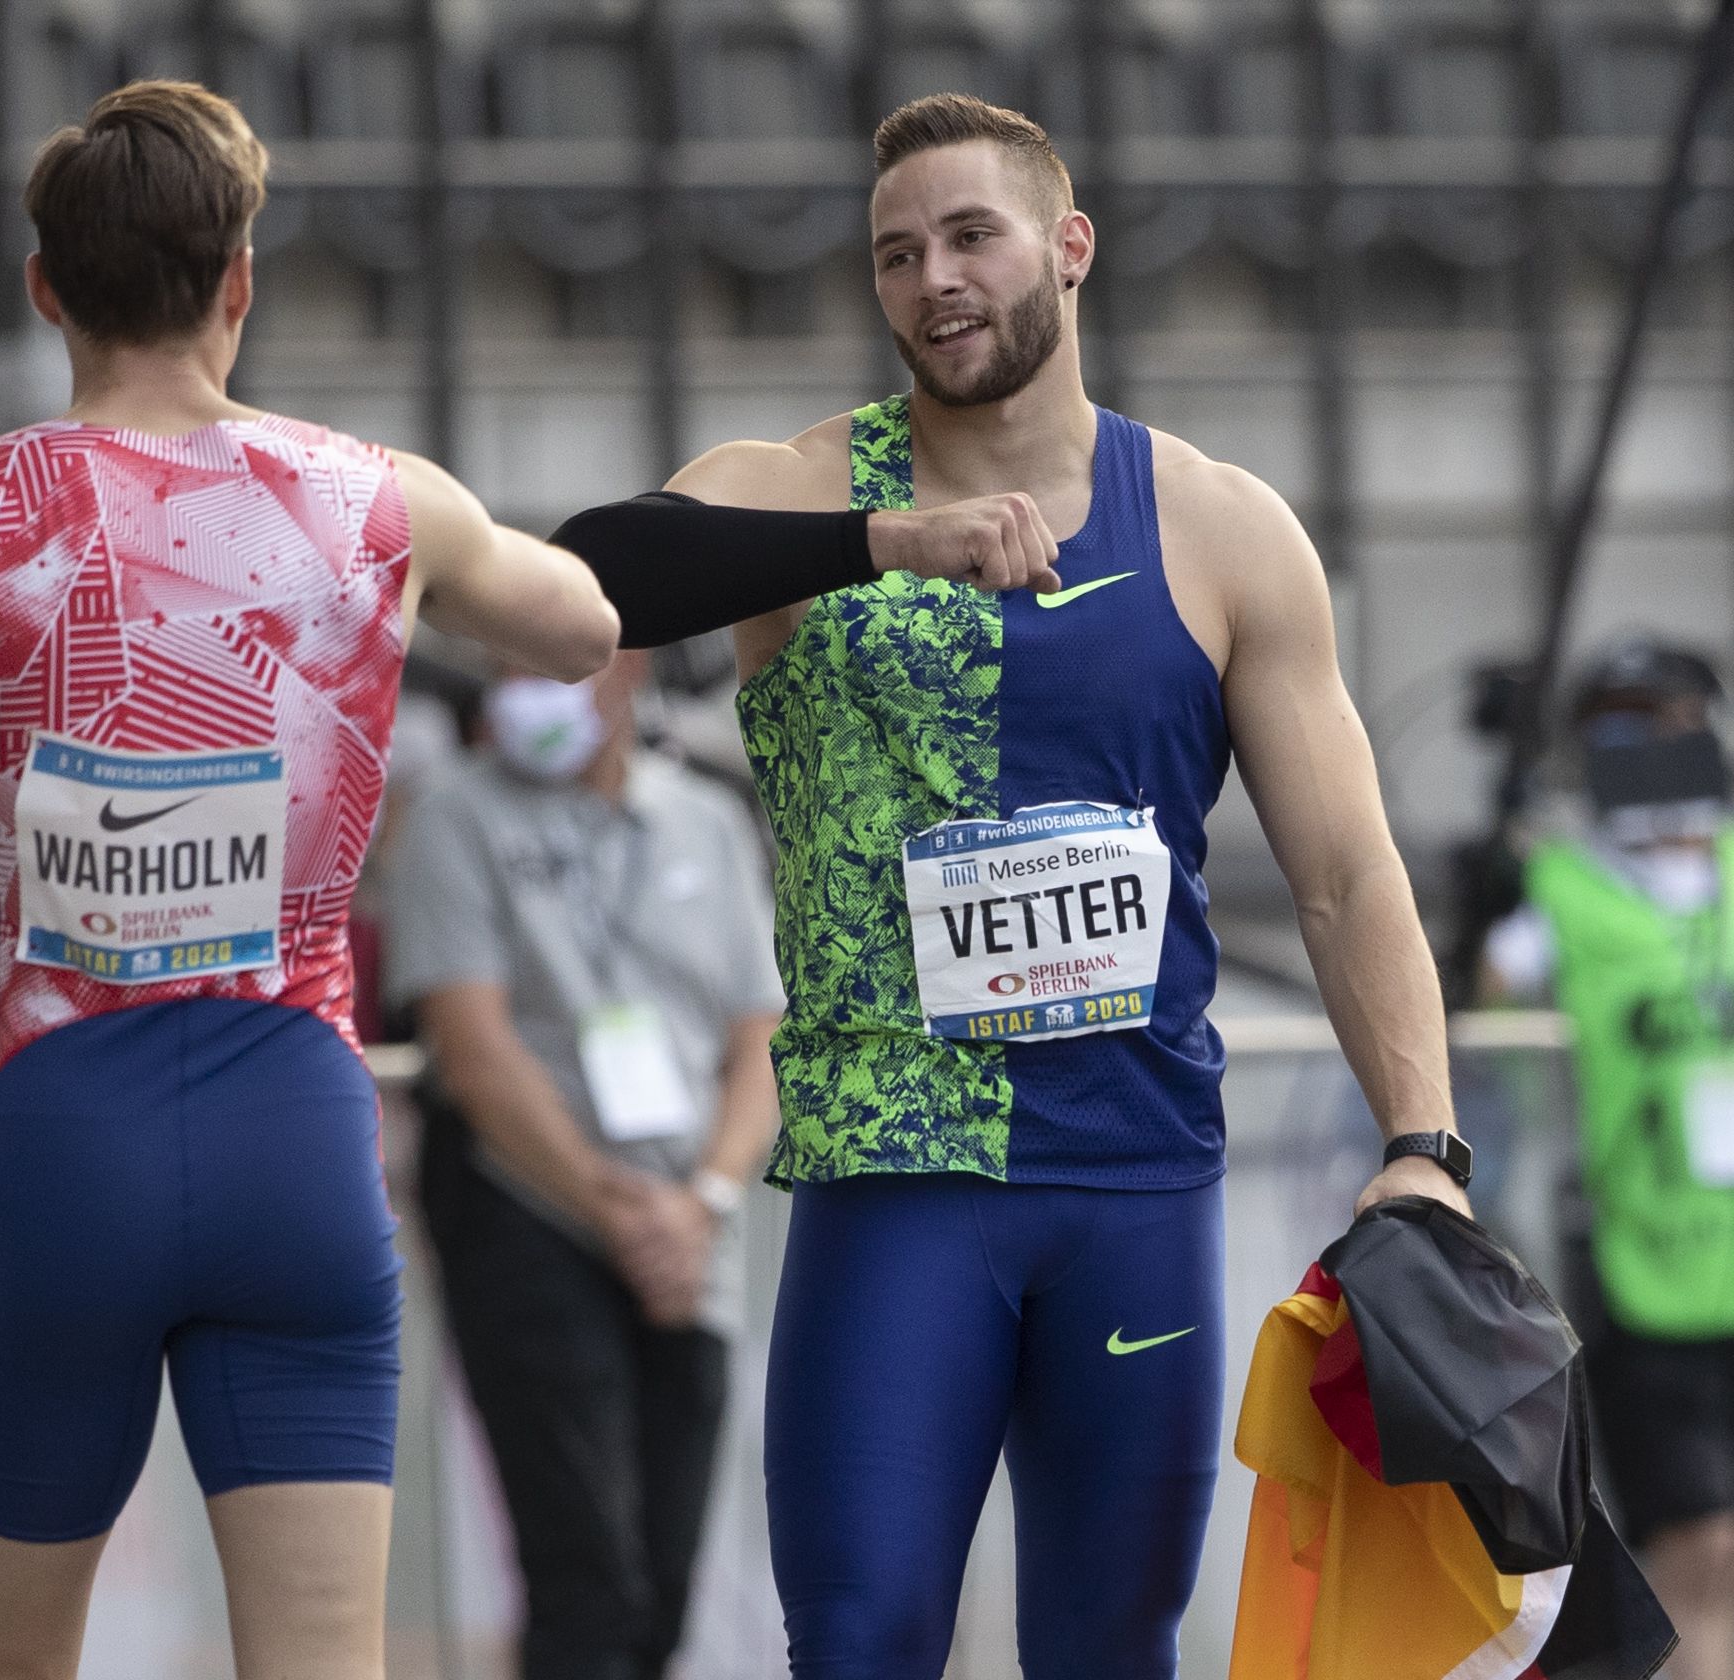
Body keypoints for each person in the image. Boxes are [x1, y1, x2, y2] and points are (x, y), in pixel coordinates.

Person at [0, 80, 618, 1680]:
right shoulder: (380, 503)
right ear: (239, 280)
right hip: (298, 1146)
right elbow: (586, 630)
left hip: (63, 1154)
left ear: (45, 287)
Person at [547, 93, 1474, 1678]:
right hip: (897, 1182)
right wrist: (887, 542)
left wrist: (1424, 1145)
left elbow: (1341, 875)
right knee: (863, 1637)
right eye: (897, 254)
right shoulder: (813, 487)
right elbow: (589, 583)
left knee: (1112, 1645)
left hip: (1132, 1175)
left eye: (972, 235)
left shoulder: (1221, 527)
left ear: (1070, 245)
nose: (936, 279)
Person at [386, 653, 783, 1680]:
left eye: (562, 658)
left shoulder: (706, 820)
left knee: (664, 1585)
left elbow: (760, 1044)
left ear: (633, 666)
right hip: (529, 1216)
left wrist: (700, 1203)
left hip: (692, 1232)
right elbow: (472, 1049)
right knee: (584, 1583)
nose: (529, 683)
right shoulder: (453, 816)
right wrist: (616, 1208)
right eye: (512, 658)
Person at [1483, 638, 1734, 1680]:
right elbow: (1485, 1009)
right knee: (1701, 1548)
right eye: (1622, 731)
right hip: (1640, 1271)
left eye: (1671, 727)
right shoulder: (1558, 896)